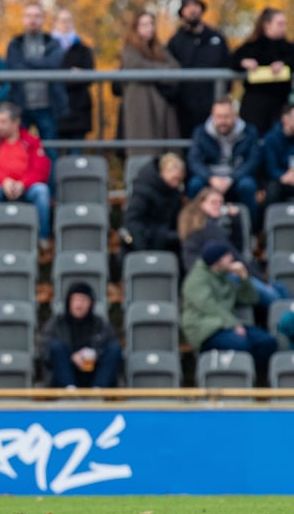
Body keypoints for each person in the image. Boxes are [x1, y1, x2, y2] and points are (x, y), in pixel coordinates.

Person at [182, 241, 277, 384]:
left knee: (267, 342)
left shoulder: (225, 276)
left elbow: (250, 298)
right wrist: (234, 325)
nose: (232, 258)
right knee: (241, 344)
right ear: (217, 261)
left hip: (228, 326)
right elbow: (209, 307)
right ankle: (241, 382)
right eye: (227, 256)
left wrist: (244, 278)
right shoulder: (196, 280)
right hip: (205, 330)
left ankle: (258, 382)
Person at [178, 189, 288, 306]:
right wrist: (262, 279)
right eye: (213, 202)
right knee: (273, 296)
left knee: (279, 287)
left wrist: (235, 220)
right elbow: (233, 254)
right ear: (201, 204)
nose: (218, 206)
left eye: (221, 202)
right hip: (211, 277)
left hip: (217, 273)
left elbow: (236, 248)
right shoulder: (207, 227)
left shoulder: (205, 224)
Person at [0, 101, 52, 247]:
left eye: (3, 122)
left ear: (16, 122)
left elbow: (41, 170)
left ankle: (42, 239)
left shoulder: (31, 141)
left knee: (42, 191)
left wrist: (23, 183)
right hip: (0, 186)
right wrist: (3, 181)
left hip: (25, 187)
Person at [5, 3, 67, 162]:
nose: (33, 19)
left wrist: (27, 62)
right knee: (19, 153)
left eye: (37, 16)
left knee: (51, 152)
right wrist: (41, 64)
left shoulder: (52, 42)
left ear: (43, 19)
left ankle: (52, 180)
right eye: (29, 16)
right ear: (23, 19)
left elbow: (54, 63)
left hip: (48, 106)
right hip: (21, 106)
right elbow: (15, 67)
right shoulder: (15, 43)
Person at [186, 98, 261, 227]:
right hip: (210, 178)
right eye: (219, 117)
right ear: (212, 115)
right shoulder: (201, 132)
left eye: (226, 117)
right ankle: (194, 227)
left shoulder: (249, 132)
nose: (222, 121)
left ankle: (250, 230)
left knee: (247, 186)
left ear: (235, 116)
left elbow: (253, 160)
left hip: (236, 177)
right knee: (195, 184)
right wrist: (210, 178)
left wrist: (231, 178)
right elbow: (194, 160)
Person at [167, 0, 231, 136]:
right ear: (182, 12)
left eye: (195, 5)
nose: (192, 10)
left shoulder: (216, 38)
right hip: (184, 109)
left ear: (201, 9)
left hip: (213, 108)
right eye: (188, 6)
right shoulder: (175, 42)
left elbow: (228, 65)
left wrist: (222, 99)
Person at [121, 11, 182, 157]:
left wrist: (154, 71)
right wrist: (162, 70)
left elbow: (175, 69)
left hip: (162, 109)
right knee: (143, 154)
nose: (149, 28)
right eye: (144, 24)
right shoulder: (129, 50)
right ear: (135, 28)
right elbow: (137, 67)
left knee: (167, 155)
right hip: (141, 109)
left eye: (151, 24)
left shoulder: (159, 48)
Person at [39, 282, 121, 389]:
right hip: (64, 373)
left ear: (90, 303)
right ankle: (70, 390)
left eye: (83, 300)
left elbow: (112, 345)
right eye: (76, 300)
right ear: (69, 302)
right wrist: (72, 356)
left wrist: (95, 354)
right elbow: (43, 348)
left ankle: (98, 391)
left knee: (113, 349)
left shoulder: (100, 324)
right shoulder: (56, 323)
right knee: (56, 346)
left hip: (94, 372)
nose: (79, 305)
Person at [230, 8, 294, 136]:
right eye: (279, 24)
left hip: (280, 102)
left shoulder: (288, 48)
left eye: (284, 24)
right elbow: (232, 59)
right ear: (266, 24)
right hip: (254, 103)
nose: (283, 28)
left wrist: (285, 63)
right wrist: (243, 62)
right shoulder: (252, 46)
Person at [121, 153, 185, 255]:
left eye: (179, 180)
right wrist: (142, 248)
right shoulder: (143, 191)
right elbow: (133, 221)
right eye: (174, 178)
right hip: (145, 241)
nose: (176, 183)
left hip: (165, 239)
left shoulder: (174, 193)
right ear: (164, 171)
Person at [51, 9, 94, 149]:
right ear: (55, 23)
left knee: (76, 155)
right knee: (53, 154)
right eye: (62, 20)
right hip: (55, 108)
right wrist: (72, 74)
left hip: (79, 109)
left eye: (68, 20)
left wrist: (61, 75)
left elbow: (89, 76)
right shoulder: (48, 47)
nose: (65, 24)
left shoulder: (83, 49)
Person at [263, 103, 294, 208]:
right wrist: (284, 176)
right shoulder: (271, 138)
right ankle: (268, 217)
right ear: (285, 119)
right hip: (280, 179)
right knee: (273, 189)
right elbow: (271, 168)